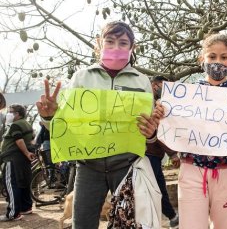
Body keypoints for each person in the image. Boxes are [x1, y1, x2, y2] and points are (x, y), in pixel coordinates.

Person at [35, 21, 163, 229]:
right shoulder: (81, 78)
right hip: (88, 168)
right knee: (82, 224)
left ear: (133, 48)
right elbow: (64, 129)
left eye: (123, 43)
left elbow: (149, 131)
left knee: (131, 224)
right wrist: (50, 118)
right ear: (98, 44)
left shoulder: (142, 81)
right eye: (110, 41)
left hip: (127, 166)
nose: (116, 48)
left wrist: (151, 133)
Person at [173, 33, 227, 229]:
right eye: (212, 57)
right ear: (201, 59)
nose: (217, 62)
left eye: (223, 57)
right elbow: (174, 131)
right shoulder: (186, 95)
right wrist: (163, 115)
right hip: (192, 171)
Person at [147, 75, 180, 229]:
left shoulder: (159, 105)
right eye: (162, 86)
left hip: (154, 155)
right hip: (148, 154)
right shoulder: (149, 105)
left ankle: (172, 216)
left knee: (159, 187)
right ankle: (168, 217)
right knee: (155, 188)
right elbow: (158, 132)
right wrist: (173, 154)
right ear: (155, 86)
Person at [0, 104, 36, 221]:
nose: (8, 113)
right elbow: (31, 139)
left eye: (11, 112)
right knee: (23, 182)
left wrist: (26, 153)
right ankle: (26, 208)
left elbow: (19, 140)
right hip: (21, 159)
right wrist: (28, 153)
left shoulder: (15, 125)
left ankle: (13, 214)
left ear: (18, 114)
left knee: (11, 184)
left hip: (12, 158)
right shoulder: (27, 124)